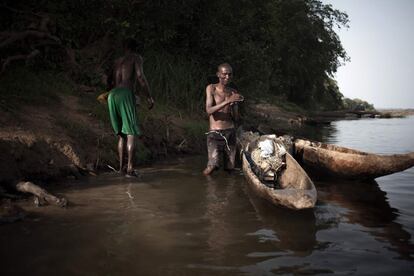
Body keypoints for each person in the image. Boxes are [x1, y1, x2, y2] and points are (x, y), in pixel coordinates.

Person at [106, 37, 154, 177]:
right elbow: (140, 76)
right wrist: (149, 96)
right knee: (131, 133)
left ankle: (121, 169)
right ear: (137, 48)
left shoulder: (117, 61)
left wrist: (109, 93)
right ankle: (130, 170)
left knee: (121, 135)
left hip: (112, 95)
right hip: (125, 94)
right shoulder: (136, 57)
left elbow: (109, 80)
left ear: (124, 47)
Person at [203, 63, 244, 175]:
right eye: (224, 74)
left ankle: (229, 191)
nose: (227, 77)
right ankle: (204, 184)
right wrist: (227, 101)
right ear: (218, 74)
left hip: (230, 132)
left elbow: (235, 118)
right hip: (215, 133)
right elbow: (209, 110)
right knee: (212, 167)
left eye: (230, 75)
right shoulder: (211, 88)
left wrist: (234, 106)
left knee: (230, 168)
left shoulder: (233, 92)